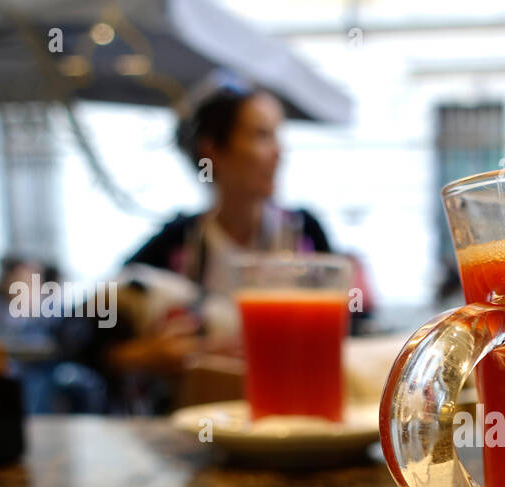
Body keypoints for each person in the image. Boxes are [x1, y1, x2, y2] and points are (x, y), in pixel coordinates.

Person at [66, 80, 340, 412]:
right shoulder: (178, 241)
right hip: (201, 425)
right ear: (213, 150)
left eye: (277, 135)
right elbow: (79, 334)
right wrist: (142, 355)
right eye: (261, 136)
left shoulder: (305, 233)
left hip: (295, 414)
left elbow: (349, 332)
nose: (279, 152)